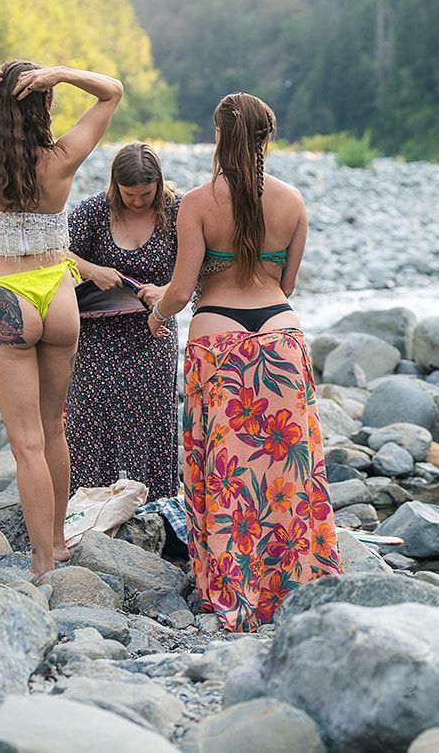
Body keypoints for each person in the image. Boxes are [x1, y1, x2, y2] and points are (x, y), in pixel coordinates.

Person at [149, 92, 340, 630]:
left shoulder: (197, 202)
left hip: (220, 339)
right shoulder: (293, 201)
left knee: (228, 470)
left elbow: (183, 290)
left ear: (218, 136)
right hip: (280, 336)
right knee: (289, 467)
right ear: (267, 138)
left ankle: (236, 585)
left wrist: (157, 311)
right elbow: (287, 283)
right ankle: (294, 580)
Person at [0, 60, 122, 577]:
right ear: (45, 106)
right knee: (55, 429)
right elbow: (111, 93)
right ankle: (56, 542)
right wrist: (63, 73)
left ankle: (40, 565)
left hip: (6, 297)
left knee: (27, 444)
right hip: (58, 296)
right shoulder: (60, 160)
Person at [66, 142, 181, 498]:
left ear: (159, 184)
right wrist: (92, 270)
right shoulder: (94, 211)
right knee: (90, 414)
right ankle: (87, 503)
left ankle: (152, 502)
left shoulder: (177, 211)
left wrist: (166, 290)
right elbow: (53, 250)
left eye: (146, 194)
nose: (138, 201)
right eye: (129, 194)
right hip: (97, 333)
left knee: (150, 415)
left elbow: (199, 267)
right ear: (115, 186)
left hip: (154, 330)